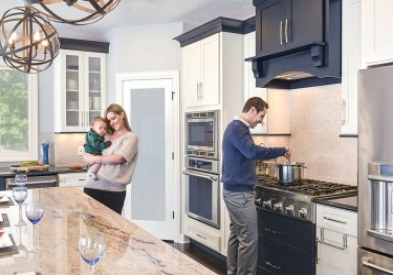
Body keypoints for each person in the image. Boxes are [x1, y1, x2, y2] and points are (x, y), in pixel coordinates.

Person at [221, 97, 290, 275]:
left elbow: (247, 153)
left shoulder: (236, 128)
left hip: (233, 193)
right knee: (248, 240)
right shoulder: (238, 129)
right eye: (261, 115)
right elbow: (252, 151)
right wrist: (281, 150)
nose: (261, 121)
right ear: (252, 110)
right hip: (239, 195)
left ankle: (233, 272)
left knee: (237, 237)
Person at [83, 103, 138, 214]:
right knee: (91, 228)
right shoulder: (105, 135)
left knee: (112, 229)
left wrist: (95, 159)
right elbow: (90, 149)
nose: (112, 123)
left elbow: (119, 158)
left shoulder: (131, 137)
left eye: (113, 118)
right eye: (109, 121)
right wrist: (87, 155)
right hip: (92, 187)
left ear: (122, 115)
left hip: (113, 191)